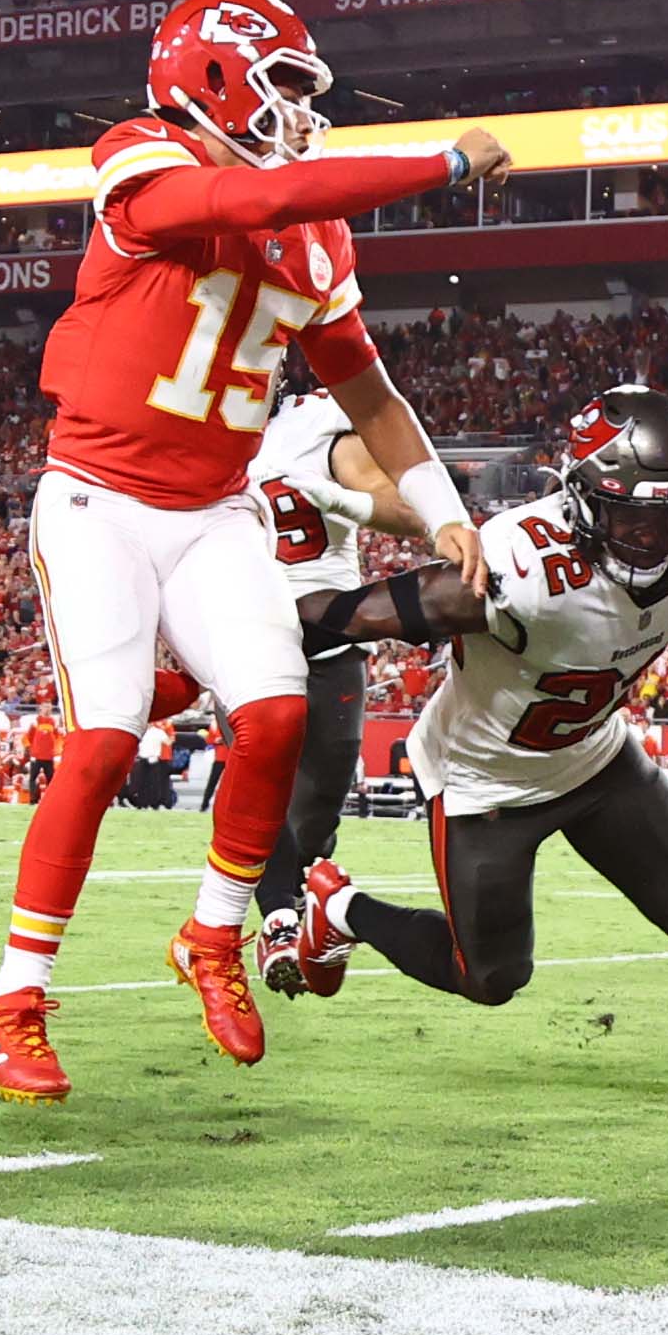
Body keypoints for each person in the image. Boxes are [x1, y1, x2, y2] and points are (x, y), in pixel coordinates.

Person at [0, 0, 506, 1102]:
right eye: (282, 87)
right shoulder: (145, 158)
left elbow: (369, 388)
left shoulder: (314, 234)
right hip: (100, 499)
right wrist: (440, 167)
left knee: (275, 713)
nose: (301, 114)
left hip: (216, 510)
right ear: (214, 79)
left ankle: (213, 935)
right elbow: (248, 193)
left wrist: (441, 502)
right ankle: (13, 1004)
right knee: (105, 742)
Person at [284, 388, 668, 1086]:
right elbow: (352, 615)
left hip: (597, 758)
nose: (652, 538)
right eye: (630, 515)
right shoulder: (515, 567)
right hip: (485, 783)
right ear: (581, 498)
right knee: (491, 977)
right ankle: (341, 906)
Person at [246, 383, 448, 994]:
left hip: (329, 633)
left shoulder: (313, 426)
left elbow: (412, 515)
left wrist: (336, 498)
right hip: (250, 632)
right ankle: (279, 919)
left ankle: (296, 912)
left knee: (317, 807)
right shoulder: (204, 436)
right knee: (260, 787)